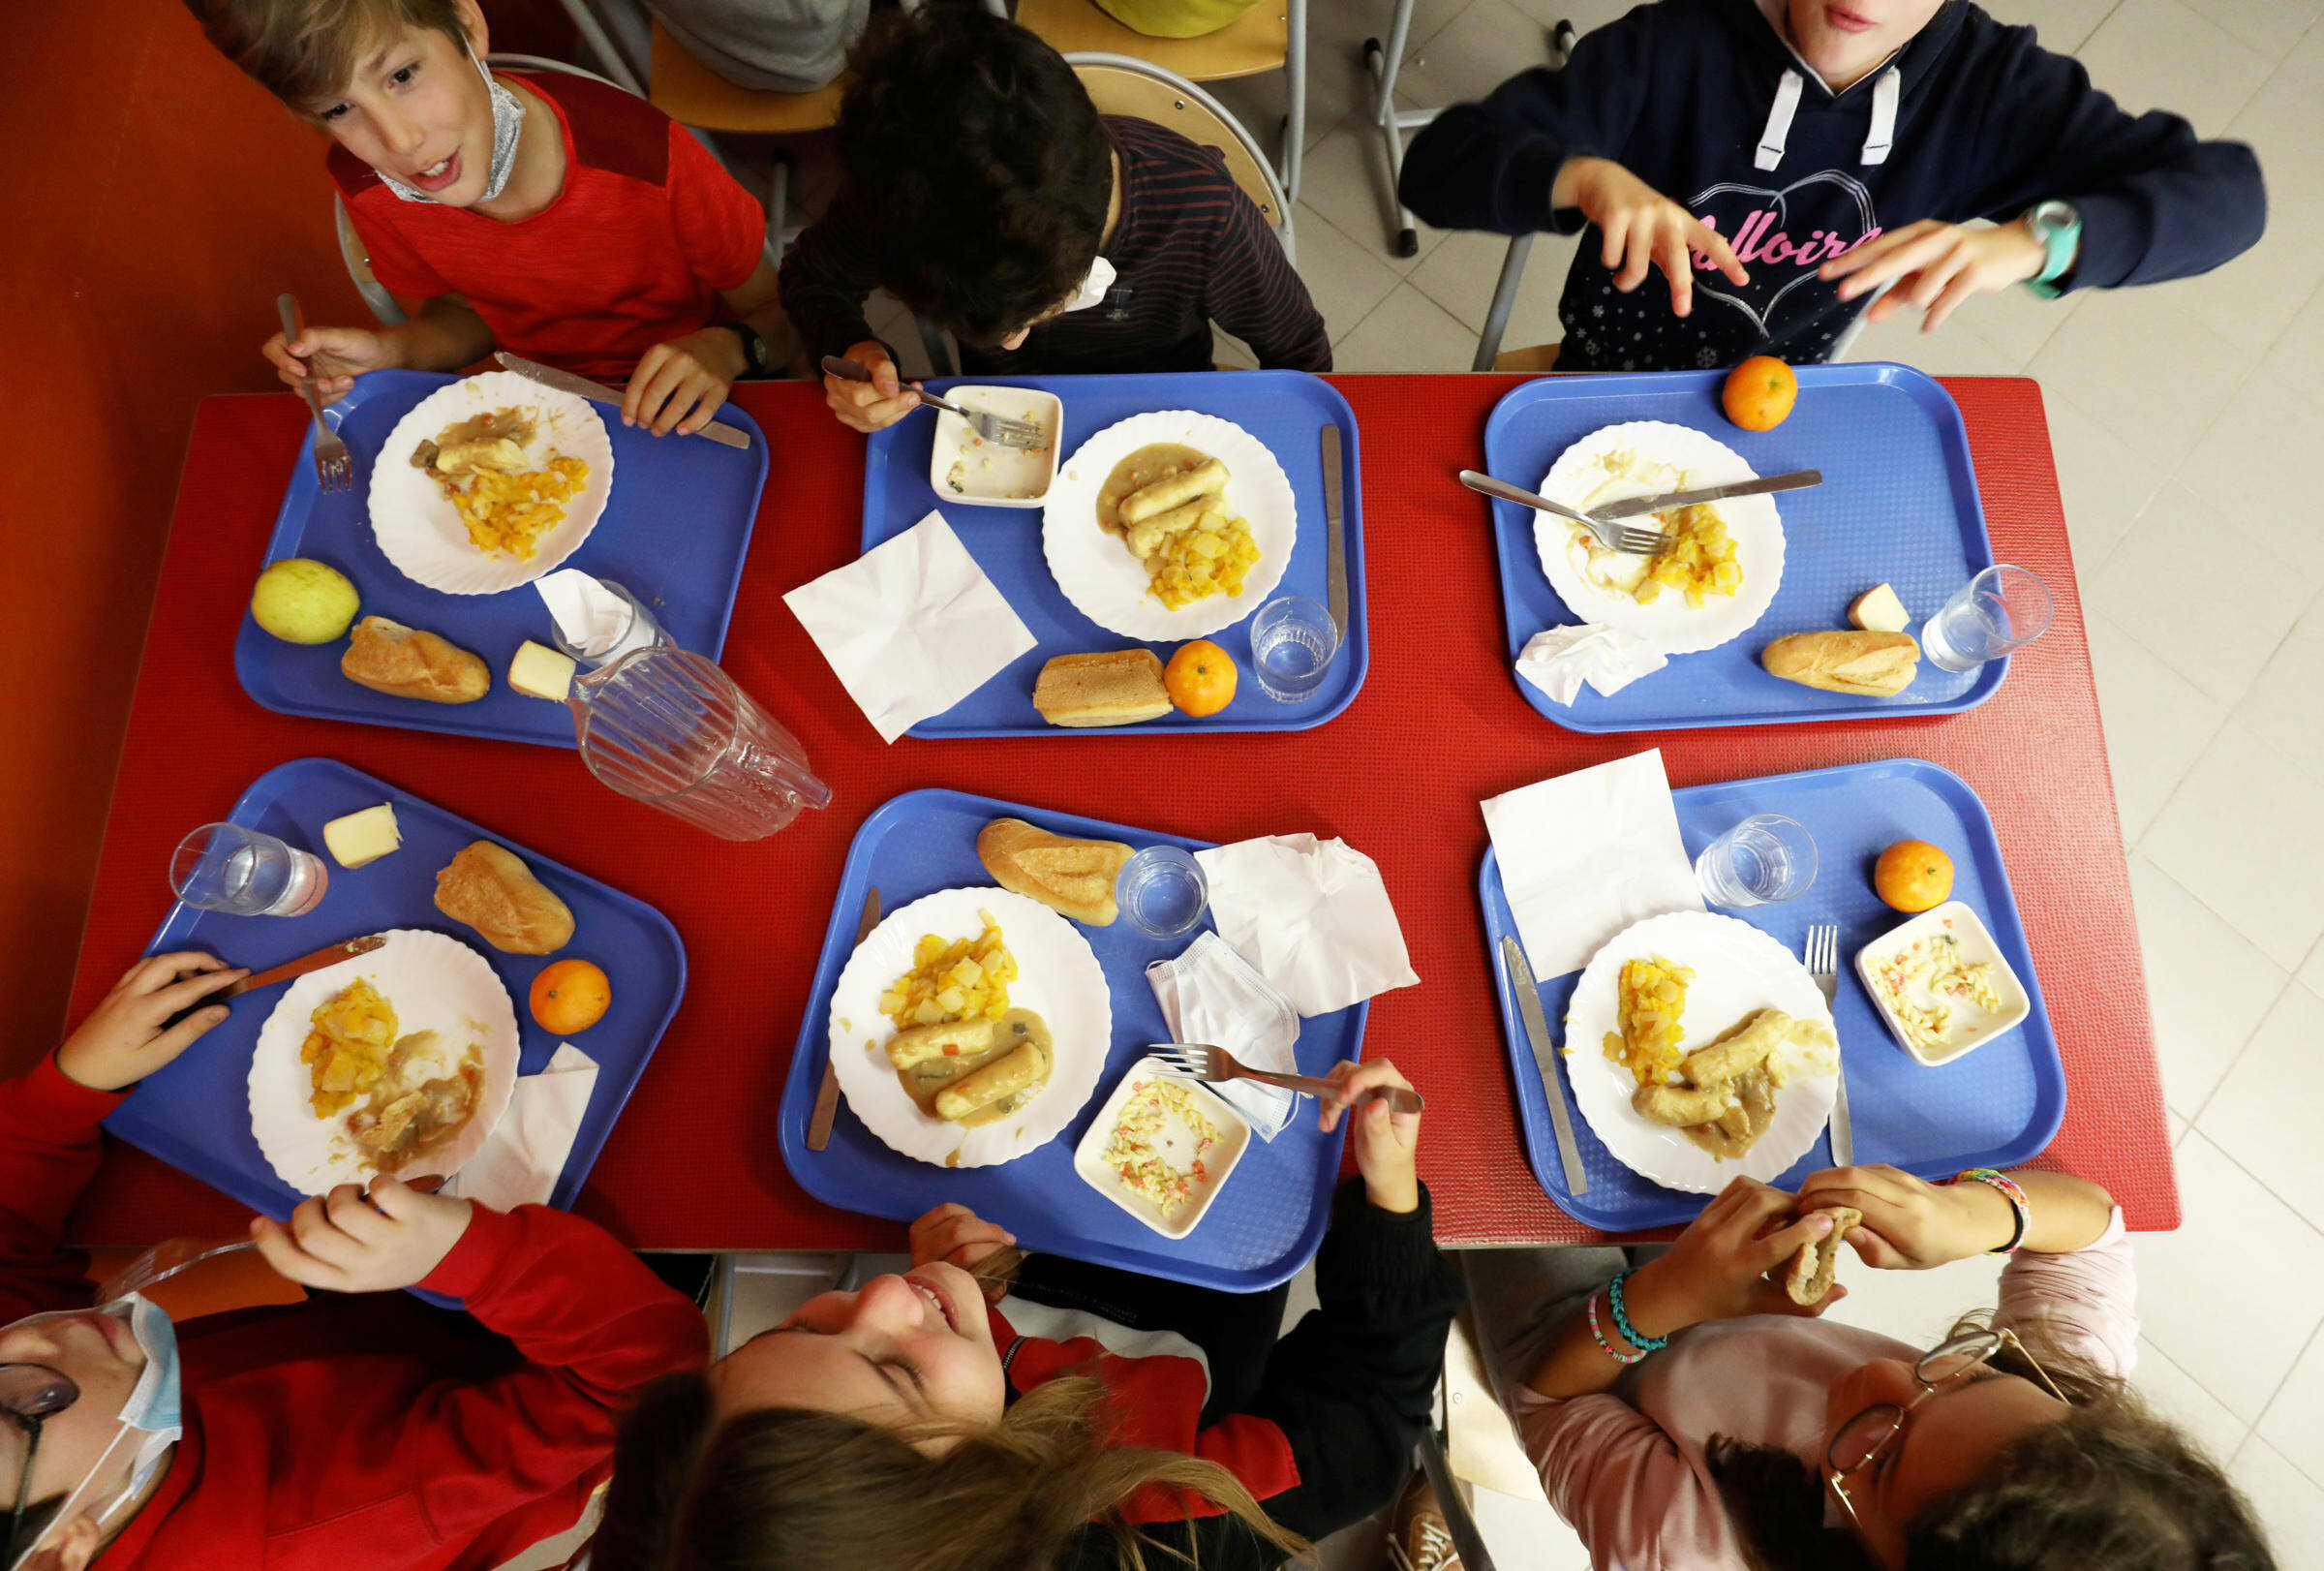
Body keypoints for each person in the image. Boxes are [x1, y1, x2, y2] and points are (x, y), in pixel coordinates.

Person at [589, 1059, 1462, 1571]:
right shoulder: (1179, 1528)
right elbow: (1374, 1404)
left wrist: (966, 1288)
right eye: (895, 1369)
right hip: (1219, 1274)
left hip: (1047, 1220)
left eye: (804, 1328)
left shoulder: (907, 1351)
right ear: (978, 1499)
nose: (882, 1294)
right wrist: (1387, 1200)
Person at [1, 952, 710, 1570]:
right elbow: (646, 1386)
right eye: (28, 1408)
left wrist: (63, 1093)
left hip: (390, 1311)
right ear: (61, 1553)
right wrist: (469, 1258)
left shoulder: (40, 1385)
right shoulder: (341, 1525)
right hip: (568, 1355)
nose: (26, 1340)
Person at [1463, 1166, 2277, 1570]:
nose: (1884, 1376)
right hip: (1717, 1312)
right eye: (1972, 1374)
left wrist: (1667, 1299)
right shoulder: (2064, 1413)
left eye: (1879, 1459)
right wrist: (1973, 1213)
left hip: (1589, 1363)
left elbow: (1550, 1402)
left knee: (1500, 1177)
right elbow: (2092, 1231)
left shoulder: (1691, 1549)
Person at [1397, 0, 2266, 372]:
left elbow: (2230, 197)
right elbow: (1437, 168)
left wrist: (2036, 239)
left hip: (1783, 400)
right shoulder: (1667, 47)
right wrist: (1581, 178)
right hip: (1595, 369)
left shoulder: (1990, 87)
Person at [187, 0, 792, 437]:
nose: (400, 142)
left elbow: (785, 315)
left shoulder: (648, 158)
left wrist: (730, 348)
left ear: (467, 25)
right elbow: (466, 313)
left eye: (402, 75)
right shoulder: (369, 187)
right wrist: (389, 351)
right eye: (340, 109)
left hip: (699, 411)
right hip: (548, 421)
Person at [781, 7, 1330, 436]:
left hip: (1164, 407)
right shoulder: (897, 191)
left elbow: (1303, 357)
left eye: (1032, 315)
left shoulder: (1200, 211)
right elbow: (811, 278)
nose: (1010, 347)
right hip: (1003, 426)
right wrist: (856, 349)